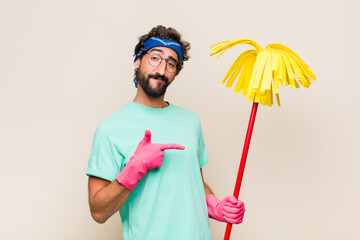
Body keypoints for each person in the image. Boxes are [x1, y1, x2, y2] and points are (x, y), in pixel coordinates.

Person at [86, 25, 245, 240]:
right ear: (137, 61)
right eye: (155, 58)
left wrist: (216, 206)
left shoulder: (191, 121)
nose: (161, 70)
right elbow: (98, 211)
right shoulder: (111, 129)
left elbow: (194, 183)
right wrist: (134, 169)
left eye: (171, 63)